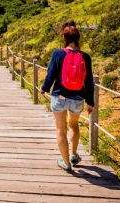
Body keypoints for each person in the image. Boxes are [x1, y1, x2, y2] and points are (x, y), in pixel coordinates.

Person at [41, 20, 94, 172]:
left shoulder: (58, 53)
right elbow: (89, 81)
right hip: (77, 98)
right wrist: (90, 102)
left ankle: (66, 163)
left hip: (59, 97)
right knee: (73, 125)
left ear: (64, 38)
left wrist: (44, 88)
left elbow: (50, 74)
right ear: (78, 38)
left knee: (60, 130)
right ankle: (73, 155)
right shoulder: (86, 57)